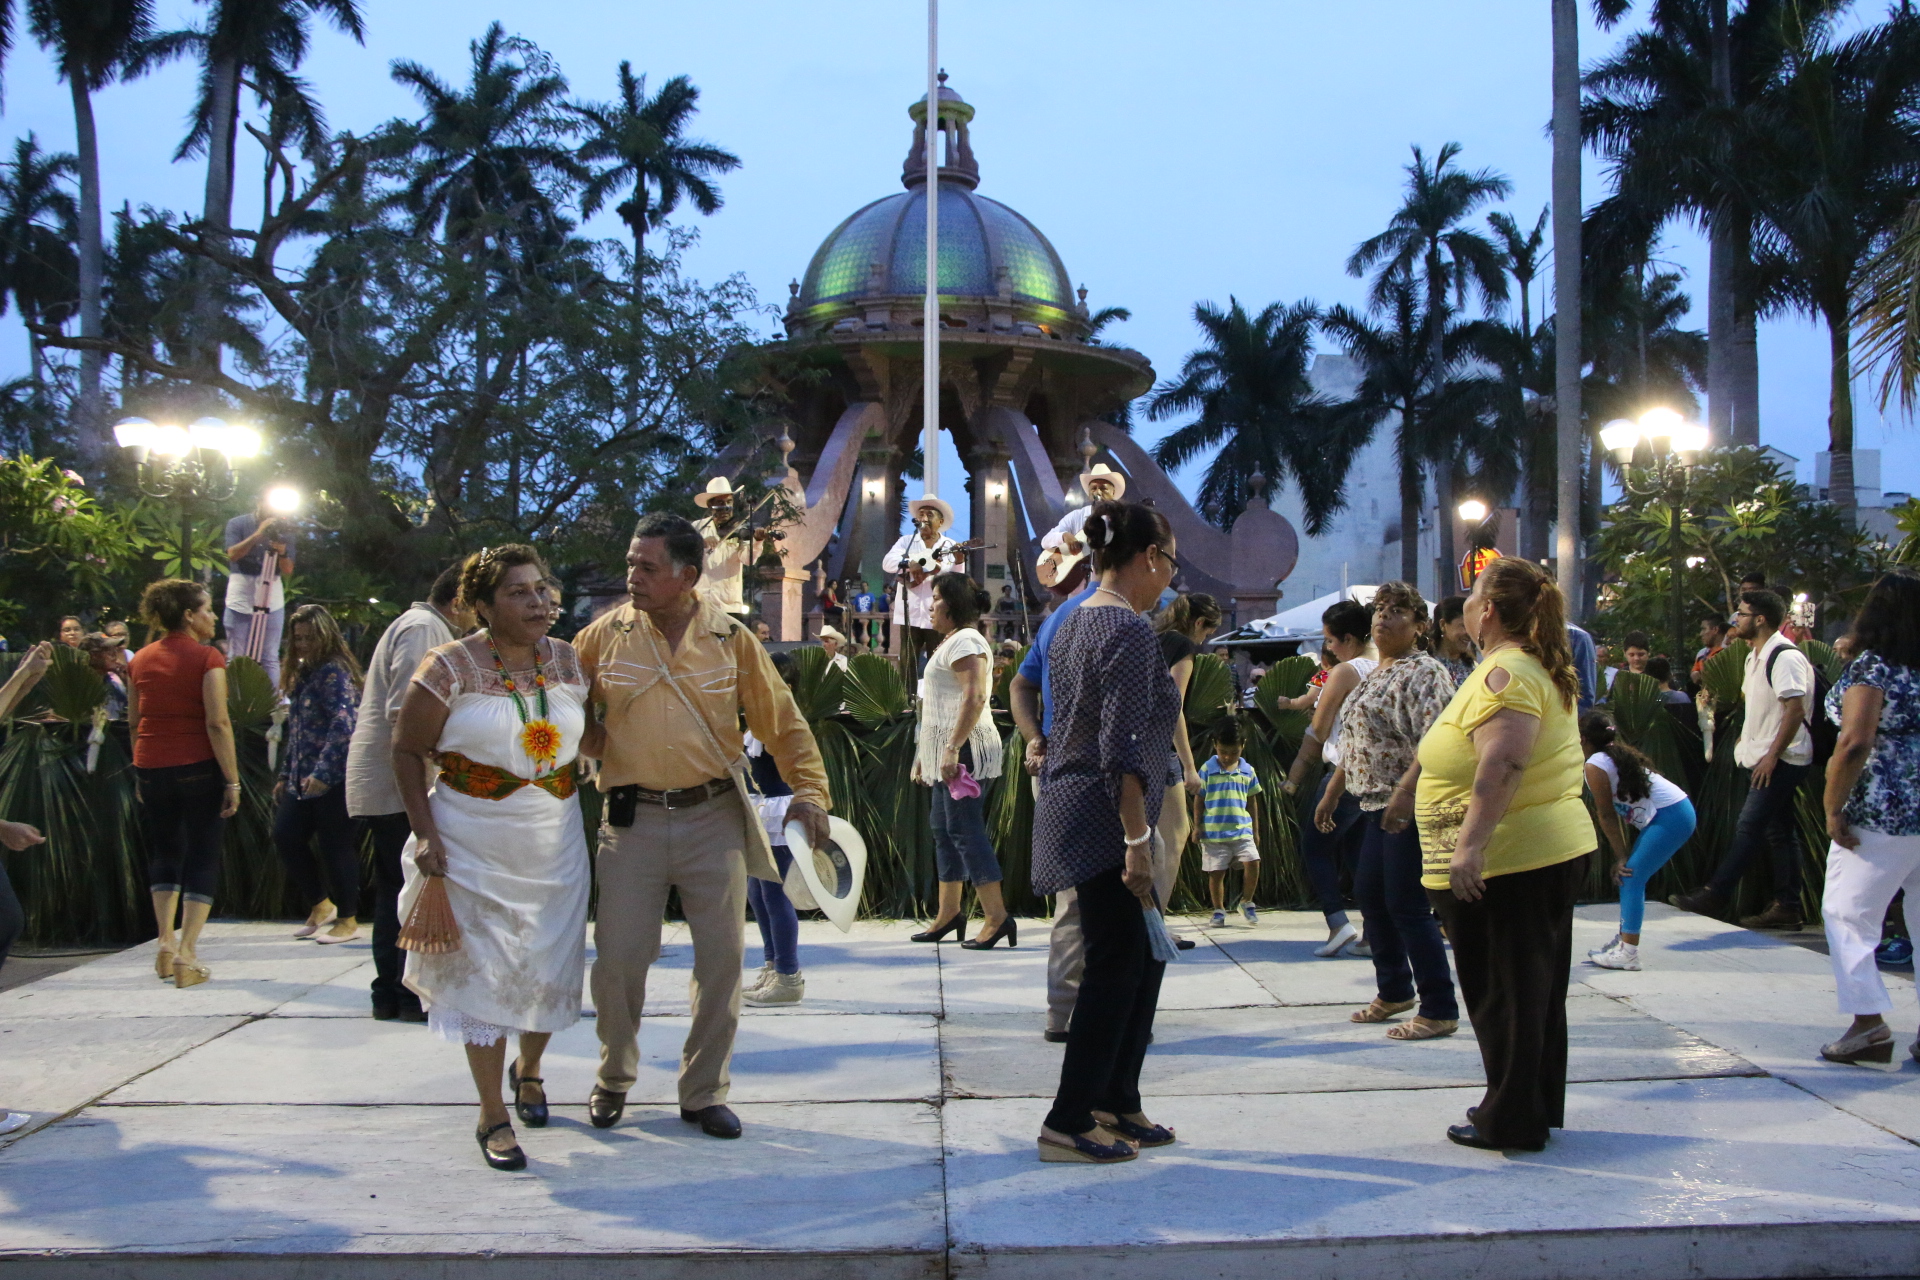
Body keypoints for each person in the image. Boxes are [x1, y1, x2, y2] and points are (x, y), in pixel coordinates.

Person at [574, 511, 830, 1141]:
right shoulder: (601, 637)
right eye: (631, 563)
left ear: (687, 576)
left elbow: (783, 721)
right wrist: (586, 734)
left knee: (720, 964)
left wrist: (812, 792)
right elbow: (559, 706)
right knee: (619, 963)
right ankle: (613, 1077)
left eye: (646, 567)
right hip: (629, 822)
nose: (632, 575)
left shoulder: (730, 639)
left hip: (712, 818)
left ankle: (704, 1090)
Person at [392, 545, 592, 1171]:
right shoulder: (447, 665)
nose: (540, 602)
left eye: (542, 589)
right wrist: (426, 835)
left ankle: (528, 1070)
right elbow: (406, 750)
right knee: (484, 975)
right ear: (481, 606)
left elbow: (600, 736)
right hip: (470, 840)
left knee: (549, 962)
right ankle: (491, 1113)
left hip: (555, 838)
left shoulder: (569, 660)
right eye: (520, 593)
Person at [1416, 557, 1592, 1152]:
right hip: (1530, 853)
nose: (1465, 602)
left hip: (1513, 859)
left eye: (1473, 595)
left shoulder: (1508, 674)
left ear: (1487, 611)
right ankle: (1526, 1105)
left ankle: (1512, 1119)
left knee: (1507, 993)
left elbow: (1505, 761)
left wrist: (1469, 848)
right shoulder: (1520, 667)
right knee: (1529, 990)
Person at [1031, 499, 1182, 1164]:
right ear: (1150, 557)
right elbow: (1120, 743)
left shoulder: (1074, 620)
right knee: (1115, 967)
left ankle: (1116, 1100)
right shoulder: (1128, 631)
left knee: (1138, 960)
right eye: (1170, 562)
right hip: (1106, 816)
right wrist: (1135, 843)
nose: (1169, 578)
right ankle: (1069, 1119)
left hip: (1079, 804)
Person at [1328, 580, 1460, 1040]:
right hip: (1371, 803)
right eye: (1380, 609)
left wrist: (1407, 792)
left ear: (1420, 626)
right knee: (1370, 894)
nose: (1383, 617)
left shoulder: (1423, 672)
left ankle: (1439, 1005)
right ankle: (1395, 989)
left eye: (1398, 611)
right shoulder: (1378, 673)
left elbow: (1437, 740)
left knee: (1406, 903)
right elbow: (1358, 743)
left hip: (1406, 802)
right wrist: (1331, 794)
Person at [345, 559, 473, 1021]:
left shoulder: (422, 623)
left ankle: (394, 992)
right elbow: (403, 714)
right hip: (398, 781)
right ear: (460, 601)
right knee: (405, 888)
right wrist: (427, 791)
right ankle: (399, 991)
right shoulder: (424, 629)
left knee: (396, 887)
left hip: (394, 779)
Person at [1815, 571, 1920, 1067]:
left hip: (1883, 806)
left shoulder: (1873, 669)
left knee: (1847, 913)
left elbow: (1855, 741)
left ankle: (1867, 1023)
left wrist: (1834, 806)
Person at [1672, 589, 1814, 930]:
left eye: (1742, 612)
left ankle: (1716, 893)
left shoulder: (1785, 656)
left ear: (1760, 619)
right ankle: (1787, 905)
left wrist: (1771, 756)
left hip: (1783, 758)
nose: (1736, 618)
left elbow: (1794, 710)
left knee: (1750, 826)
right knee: (1780, 832)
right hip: (1763, 755)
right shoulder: (1754, 656)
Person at [128, 579, 242, 990]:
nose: (213, 617)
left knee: (165, 850)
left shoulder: (139, 659)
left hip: (151, 765)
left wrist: (140, 766)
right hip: (197, 766)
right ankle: (188, 953)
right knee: (203, 855)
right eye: (208, 609)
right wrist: (232, 780)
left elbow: (134, 719)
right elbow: (217, 722)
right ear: (190, 616)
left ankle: (164, 942)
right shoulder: (207, 658)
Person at [1009, 577, 1100, 1042]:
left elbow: (1020, 684)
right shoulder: (1106, 615)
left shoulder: (1063, 615)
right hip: (1089, 778)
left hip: (1060, 770)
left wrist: (1035, 739)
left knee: (1073, 902)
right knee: (1090, 901)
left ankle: (1064, 1012)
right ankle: (1080, 1013)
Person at [908, 574, 1011, 947]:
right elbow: (936, 708)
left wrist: (951, 749)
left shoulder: (967, 640)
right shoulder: (950, 642)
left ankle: (997, 917)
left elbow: (974, 697)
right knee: (944, 831)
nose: (930, 604)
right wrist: (926, 756)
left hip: (964, 750)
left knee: (965, 831)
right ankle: (948, 914)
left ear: (950, 605)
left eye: (935, 598)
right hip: (946, 751)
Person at [1283, 598, 1378, 957]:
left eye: (1330, 641)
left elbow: (1318, 730)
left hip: (1343, 773)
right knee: (1358, 855)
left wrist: (1295, 776)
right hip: (1377, 776)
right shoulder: (1386, 666)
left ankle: (1338, 923)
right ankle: (1373, 931)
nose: (1328, 649)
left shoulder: (1346, 671)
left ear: (1349, 638)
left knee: (1315, 847)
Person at [274, 605, 365, 946]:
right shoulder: (303, 674)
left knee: (335, 845)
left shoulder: (334, 672)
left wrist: (324, 772)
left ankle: (348, 918)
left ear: (325, 636)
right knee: (285, 835)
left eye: (309, 638)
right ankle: (320, 903)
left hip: (334, 777)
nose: (303, 644)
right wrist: (286, 774)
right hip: (302, 776)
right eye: (297, 638)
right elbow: (296, 730)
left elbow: (344, 725)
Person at [1581, 712, 1696, 972]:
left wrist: (1621, 857)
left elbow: (1607, 815)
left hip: (1672, 815)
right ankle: (1624, 941)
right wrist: (1623, 855)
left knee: (1630, 876)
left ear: (1582, 739)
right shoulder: (1610, 755)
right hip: (1674, 812)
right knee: (1630, 874)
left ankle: (1629, 953)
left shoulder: (1595, 765)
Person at [1154, 592, 1224, 930]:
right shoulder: (1182, 647)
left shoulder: (1154, 638)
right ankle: (1155, 920)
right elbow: (1172, 706)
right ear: (1199, 623)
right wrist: (1189, 766)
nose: (1206, 638)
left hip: (1132, 746)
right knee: (1176, 835)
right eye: (1208, 631)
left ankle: (1145, 919)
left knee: (1149, 837)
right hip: (1160, 751)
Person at [744, 654, 807, 1007]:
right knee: (757, 892)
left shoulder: (783, 719)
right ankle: (772, 966)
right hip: (760, 808)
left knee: (775, 893)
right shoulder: (759, 718)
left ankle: (788, 974)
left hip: (779, 811)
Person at [224, 490, 297, 688]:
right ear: (259, 502)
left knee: (269, 656)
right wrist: (258, 534)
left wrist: (282, 552)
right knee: (236, 654)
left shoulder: (285, 528)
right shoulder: (238, 523)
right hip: (242, 589)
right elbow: (232, 554)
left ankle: (272, 707)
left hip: (271, 591)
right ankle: (234, 704)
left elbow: (288, 569)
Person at [882, 497, 965, 663]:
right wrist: (910, 562)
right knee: (907, 662)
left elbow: (957, 578)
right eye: (921, 514)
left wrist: (960, 560)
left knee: (937, 662)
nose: (924, 518)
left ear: (940, 521)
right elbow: (887, 563)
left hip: (938, 614)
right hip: (909, 613)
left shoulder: (950, 545)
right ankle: (908, 691)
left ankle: (933, 691)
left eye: (929, 514)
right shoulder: (906, 541)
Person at [1199, 718, 1262, 927]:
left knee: (1253, 861)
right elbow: (1199, 798)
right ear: (1215, 744)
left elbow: (1252, 800)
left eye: (1234, 752)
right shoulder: (1207, 770)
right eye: (1223, 751)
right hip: (1214, 832)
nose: (1228, 757)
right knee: (1217, 873)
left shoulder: (1248, 771)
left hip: (1242, 829)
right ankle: (1218, 909)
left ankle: (1247, 901)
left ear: (1243, 746)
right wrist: (1197, 826)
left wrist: (1255, 830)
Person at [1037, 463, 1125, 595]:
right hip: (1078, 591)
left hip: (1111, 589)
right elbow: (1045, 541)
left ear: (1113, 492)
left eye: (1103, 488)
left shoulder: (1122, 520)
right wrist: (1065, 536)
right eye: (1094, 488)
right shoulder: (1076, 516)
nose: (1098, 492)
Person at [691, 476, 757, 618]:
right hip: (701, 603)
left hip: (729, 605)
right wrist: (700, 542)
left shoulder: (740, 529)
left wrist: (757, 540)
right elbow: (681, 551)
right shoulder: (697, 527)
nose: (726, 507)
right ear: (711, 506)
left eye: (729, 502)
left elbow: (748, 560)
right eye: (720, 503)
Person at [79, 633, 129, 723]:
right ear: (93, 655)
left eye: (115, 652)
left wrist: (126, 681)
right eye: (110, 653)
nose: (115, 657)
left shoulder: (115, 685)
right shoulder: (79, 687)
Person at [1435, 595, 1478, 686]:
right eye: (1464, 626)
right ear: (1443, 625)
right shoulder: (1426, 667)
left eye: (1472, 627)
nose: (1469, 633)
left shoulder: (1472, 667)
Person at [1693, 615, 1730, 682]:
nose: (1701, 634)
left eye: (1704, 629)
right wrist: (1695, 674)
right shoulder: (1702, 654)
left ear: (1715, 629)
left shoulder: (1730, 651)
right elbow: (1695, 673)